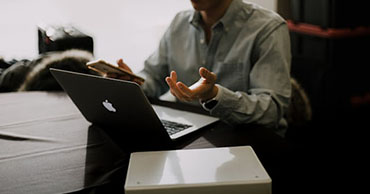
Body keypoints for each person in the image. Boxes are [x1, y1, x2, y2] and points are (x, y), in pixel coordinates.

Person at [112, 0, 291, 137]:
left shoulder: (268, 28)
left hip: (248, 139)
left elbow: (271, 111)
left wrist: (214, 95)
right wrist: (132, 83)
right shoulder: (179, 23)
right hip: (191, 132)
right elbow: (154, 76)